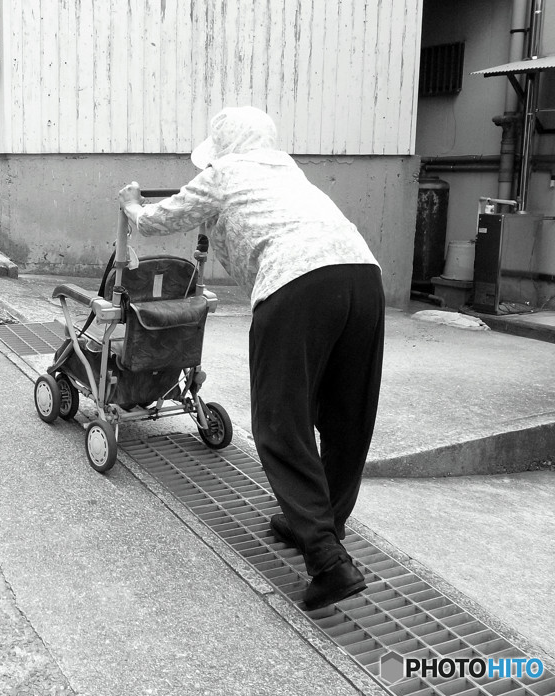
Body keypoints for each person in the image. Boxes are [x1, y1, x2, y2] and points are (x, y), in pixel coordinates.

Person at [118, 106, 385, 610]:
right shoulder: (289, 170)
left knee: (280, 420)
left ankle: (327, 561)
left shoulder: (222, 173)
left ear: (221, 147)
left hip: (297, 282)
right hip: (362, 277)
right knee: (348, 413)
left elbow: (160, 219)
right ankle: (321, 520)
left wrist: (133, 204)